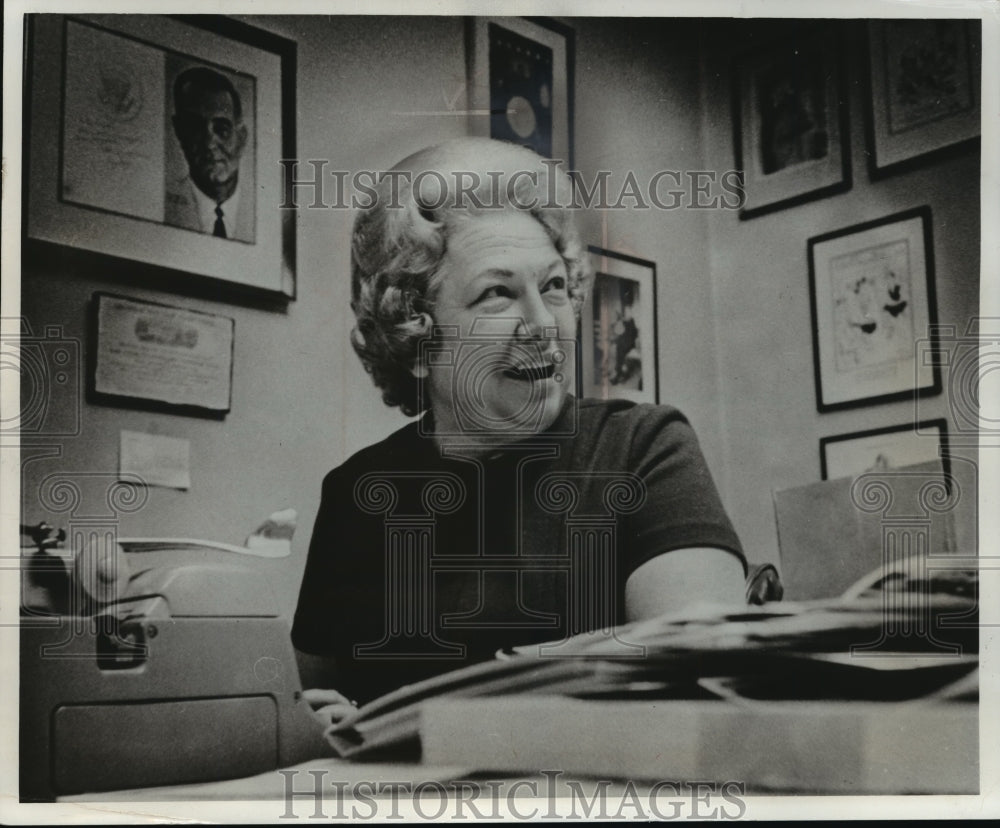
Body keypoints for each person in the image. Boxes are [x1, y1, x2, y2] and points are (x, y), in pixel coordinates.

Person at [293, 138, 749, 723]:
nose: (543, 324)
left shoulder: (644, 447)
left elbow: (701, 687)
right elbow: (313, 711)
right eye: (498, 294)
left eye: (554, 286)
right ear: (415, 337)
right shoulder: (356, 493)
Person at [165, 66, 253, 242]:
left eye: (222, 129)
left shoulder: (263, 214)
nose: (209, 143)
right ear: (179, 130)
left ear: (242, 138)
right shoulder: (161, 206)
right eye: (195, 128)